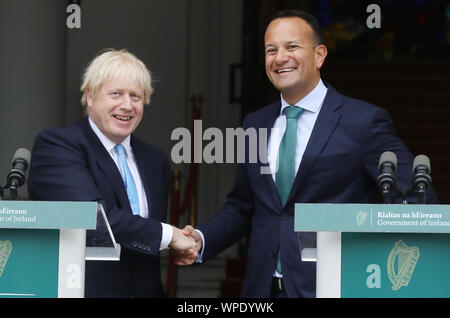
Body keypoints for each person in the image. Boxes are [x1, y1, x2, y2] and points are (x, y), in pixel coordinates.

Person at [174, 10, 439, 297]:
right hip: (262, 291)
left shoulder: (363, 122)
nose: (279, 57)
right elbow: (243, 205)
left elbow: (415, 201)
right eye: (270, 50)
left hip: (334, 288)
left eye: (292, 47)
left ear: (319, 55)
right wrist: (201, 239)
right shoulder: (255, 123)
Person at [27, 49, 196, 298]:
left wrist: (178, 242)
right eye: (116, 93)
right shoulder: (58, 145)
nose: (127, 105)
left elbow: (144, 240)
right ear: (90, 97)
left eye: (136, 96)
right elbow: (91, 217)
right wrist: (170, 235)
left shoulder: (155, 159)